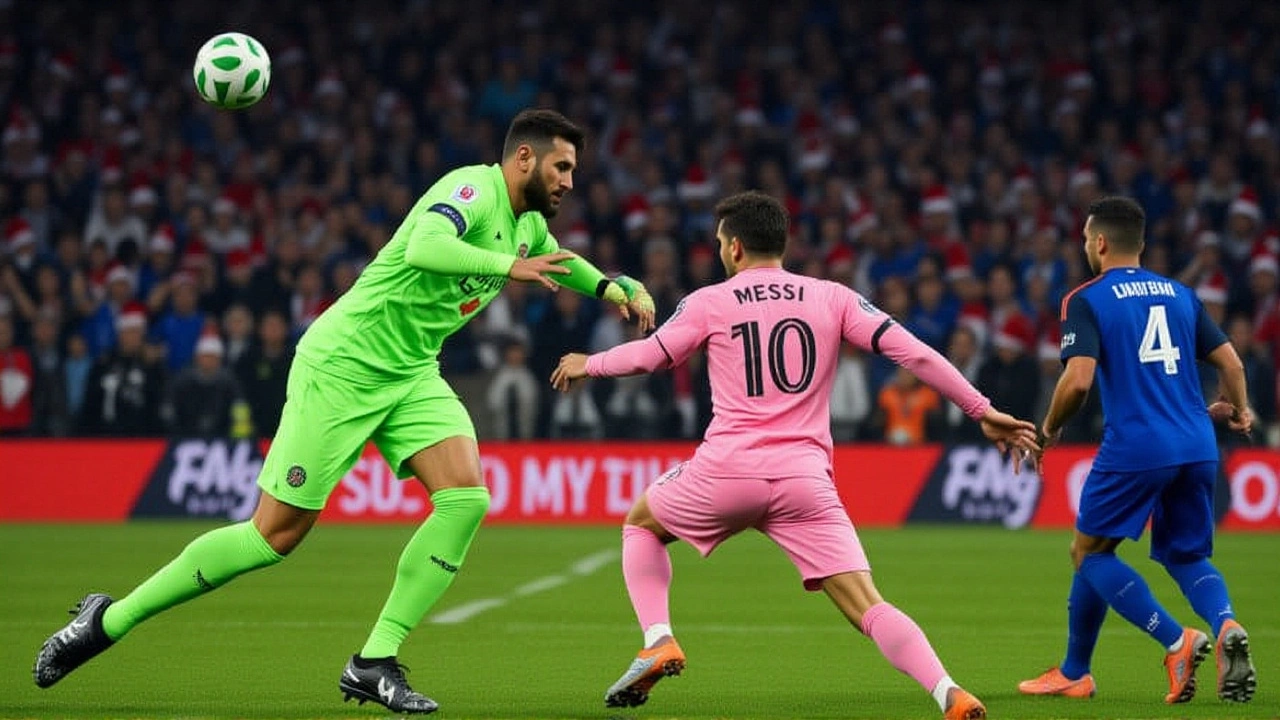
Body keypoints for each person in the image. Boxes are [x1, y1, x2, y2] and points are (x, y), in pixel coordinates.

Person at [33, 109, 656, 714]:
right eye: (563, 167)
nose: (570, 182)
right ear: (525, 157)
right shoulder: (470, 189)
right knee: (273, 537)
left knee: (467, 497)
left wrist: (610, 285)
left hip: (410, 373)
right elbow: (424, 247)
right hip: (343, 366)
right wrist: (506, 267)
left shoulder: (525, 225)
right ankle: (107, 621)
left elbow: (559, 260)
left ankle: (374, 661)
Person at [551, 191, 1040, 720]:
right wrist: (981, 408)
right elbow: (914, 352)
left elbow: (652, 357)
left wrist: (590, 363)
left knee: (642, 524)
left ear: (734, 248)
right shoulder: (833, 297)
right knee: (868, 604)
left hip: (727, 471)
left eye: (719, 243)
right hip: (805, 480)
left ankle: (659, 638)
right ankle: (948, 691)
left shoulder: (709, 301)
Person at [1018, 197, 1256, 705]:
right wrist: (1239, 411)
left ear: (1099, 242)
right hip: (1197, 445)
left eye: (1086, 238)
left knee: (1087, 553)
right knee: (1185, 554)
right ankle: (1223, 621)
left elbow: (1078, 381)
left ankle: (1177, 640)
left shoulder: (1086, 298)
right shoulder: (1181, 294)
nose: (1085, 246)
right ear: (1140, 244)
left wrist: (1050, 427)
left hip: (1137, 446)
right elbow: (1232, 365)